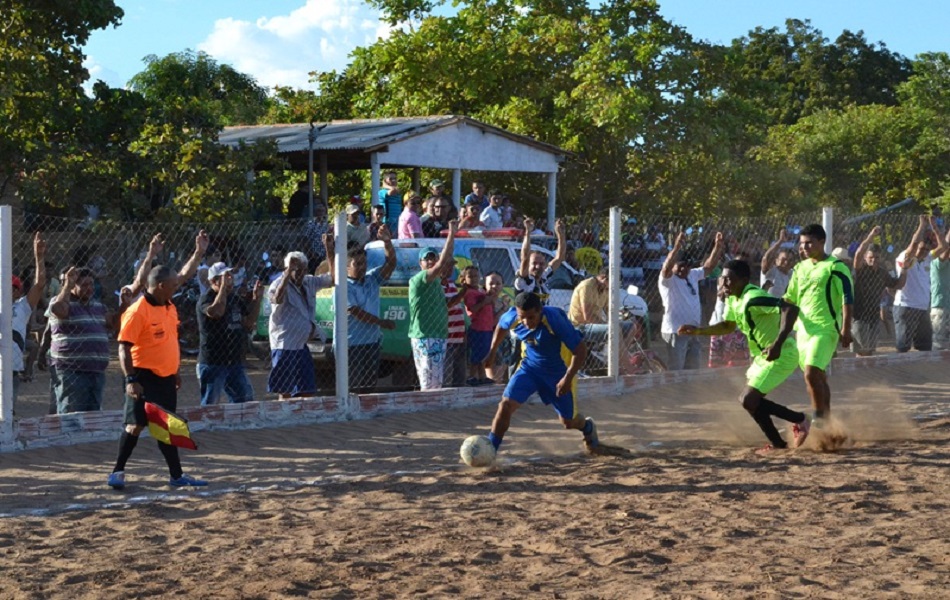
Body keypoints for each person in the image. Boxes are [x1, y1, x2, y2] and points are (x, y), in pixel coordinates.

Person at [679, 260, 811, 452]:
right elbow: (728, 326)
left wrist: (777, 344)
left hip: (782, 354)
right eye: (722, 279)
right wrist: (699, 331)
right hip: (762, 357)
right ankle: (779, 444)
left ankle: (801, 420)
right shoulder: (733, 298)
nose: (724, 283)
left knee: (748, 399)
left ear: (744, 280)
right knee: (751, 403)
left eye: (729, 279)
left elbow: (790, 309)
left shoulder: (753, 298)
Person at [108, 265, 208, 490]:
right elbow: (123, 347)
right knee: (135, 425)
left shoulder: (169, 307)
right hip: (142, 377)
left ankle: (176, 475)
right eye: (173, 285)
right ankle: (117, 471)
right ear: (161, 286)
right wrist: (131, 380)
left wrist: (175, 371)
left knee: (166, 426)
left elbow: (169, 341)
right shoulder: (137, 311)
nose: (176, 288)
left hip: (166, 378)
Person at [482, 292, 600, 455]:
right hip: (529, 369)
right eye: (522, 317)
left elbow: (580, 350)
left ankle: (587, 427)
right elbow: (501, 326)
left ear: (540, 311)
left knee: (568, 422)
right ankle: (490, 451)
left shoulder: (554, 320)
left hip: (558, 373)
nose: (526, 322)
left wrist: (567, 378)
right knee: (505, 405)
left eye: (531, 317)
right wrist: (492, 352)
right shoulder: (512, 316)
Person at [783, 223, 853, 426]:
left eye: (809, 243)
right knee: (817, 377)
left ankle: (818, 422)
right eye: (801, 243)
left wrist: (846, 328)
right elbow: (790, 299)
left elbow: (847, 299)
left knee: (811, 373)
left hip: (826, 329)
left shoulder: (835, 267)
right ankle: (829, 423)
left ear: (822, 242)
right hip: (803, 331)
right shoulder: (799, 268)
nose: (804, 247)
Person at [267, 236, 335, 399]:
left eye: (303, 269)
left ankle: (302, 412)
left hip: (301, 345)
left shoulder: (308, 281)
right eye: (296, 270)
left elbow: (332, 278)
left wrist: (329, 250)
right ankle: (283, 412)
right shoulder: (278, 284)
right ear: (287, 269)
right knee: (285, 391)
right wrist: (286, 274)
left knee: (306, 389)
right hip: (285, 345)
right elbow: (277, 299)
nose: (301, 273)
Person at [196, 262, 264, 405]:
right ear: (214, 281)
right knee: (210, 404)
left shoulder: (234, 297)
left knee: (245, 399)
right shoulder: (206, 298)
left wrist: (257, 299)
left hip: (233, 361)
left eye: (230, 275)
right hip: (213, 362)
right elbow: (217, 312)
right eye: (225, 276)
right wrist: (222, 288)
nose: (230, 279)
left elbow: (249, 322)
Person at [48, 266, 114, 413]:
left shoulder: (98, 305)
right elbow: (59, 310)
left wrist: (125, 305)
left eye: (91, 284)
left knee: (93, 419)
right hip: (72, 371)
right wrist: (67, 285)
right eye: (84, 285)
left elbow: (113, 324)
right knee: (71, 418)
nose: (89, 288)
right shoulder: (60, 302)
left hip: (96, 371)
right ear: (72, 285)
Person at [338, 224, 397, 390]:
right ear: (346, 266)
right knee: (353, 387)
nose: (362, 267)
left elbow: (391, 264)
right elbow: (356, 312)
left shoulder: (372, 279)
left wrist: (387, 243)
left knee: (369, 387)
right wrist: (381, 322)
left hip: (372, 342)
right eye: (357, 264)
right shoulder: (343, 287)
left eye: (364, 263)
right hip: (351, 345)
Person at [659, 231, 724, 370]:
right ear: (674, 265)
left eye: (687, 266)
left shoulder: (692, 275)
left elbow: (709, 267)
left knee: (693, 370)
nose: (684, 269)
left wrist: (717, 247)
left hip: (693, 331)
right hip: (675, 331)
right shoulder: (668, 279)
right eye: (680, 265)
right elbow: (666, 267)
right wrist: (676, 247)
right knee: (676, 371)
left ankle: (690, 386)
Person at [408, 220, 458, 390]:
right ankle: (427, 406)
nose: (430, 261)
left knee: (433, 380)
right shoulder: (420, 279)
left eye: (433, 258)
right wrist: (451, 234)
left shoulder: (437, 282)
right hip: (426, 335)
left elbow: (446, 259)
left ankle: (429, 404)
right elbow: (442, 263)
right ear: (420, 263)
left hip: (437, 334)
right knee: (430, 383)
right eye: (426, 259)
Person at [851, 226, 906, 355]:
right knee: (862, 352)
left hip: (874, 316)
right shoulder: (861, 269)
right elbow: (858, 254)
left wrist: (905, 269)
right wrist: (871, 236)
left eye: (877, 257)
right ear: (865, 257)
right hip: (859, 316)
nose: (874, 260)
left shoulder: (882, 273)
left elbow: (898, 285)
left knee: (870, 351)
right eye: (871, 257)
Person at [894, 216, 942, 352]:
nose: (923, 252)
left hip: (922, 307)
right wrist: (922, 225)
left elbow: (944, 247)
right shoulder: (907, 257)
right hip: (906, 306)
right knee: (903, 347)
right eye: (921, 248)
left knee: (925, 347)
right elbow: (914, 244)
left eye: (926, 249)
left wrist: (935, 228)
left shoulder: (928, 258)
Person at [9, 233, 46, 403]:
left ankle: (28, 371)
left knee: (9, 412)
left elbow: (39, 284)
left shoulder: (22, 306)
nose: (6, 289)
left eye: (12, 287)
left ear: (18, 292)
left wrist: (39, 257)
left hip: (12, 368)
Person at [514, 217, 566, 304]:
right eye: (534, 263)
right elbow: (525, 257)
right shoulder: (524, 280)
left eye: (541, 264)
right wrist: (528, 232)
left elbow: (559, 257)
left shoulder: (543, 277)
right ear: (528, 265)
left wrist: (561, 235)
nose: (538, 266)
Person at [461, 266, 497, 385]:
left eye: (476, 276)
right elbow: (472, 310)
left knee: (484, 352)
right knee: (476, 353)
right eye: (470, 276)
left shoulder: (480, 291)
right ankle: (472, 376)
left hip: (487, 327)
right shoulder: (469, 293)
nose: (474, 279)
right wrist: (484, 302)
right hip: (477, 328)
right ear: (464, 279)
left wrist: (489, 297)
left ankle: (482, 376)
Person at [442, 261, 468, 387]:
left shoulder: (451, 283)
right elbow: (448, 304)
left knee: (459, 375)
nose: (451, 268)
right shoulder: (438, 285)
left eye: (452, 265)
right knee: (446, 375)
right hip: (447, 338)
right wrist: (465, 290)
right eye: (448, 265)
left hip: (458, 336)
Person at [760, 229, 794, 297]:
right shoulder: (772, 271)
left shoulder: (790, 273)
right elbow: (766, 258)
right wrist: (780, 241)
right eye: (783, 259)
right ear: (776, 261)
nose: (786, 262)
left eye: (790, 260)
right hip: (765, 303)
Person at [932, 226, 950, 350]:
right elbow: (946, 249)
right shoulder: (937, 263)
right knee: (939, 344)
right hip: (940, 307)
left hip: (947, 306)